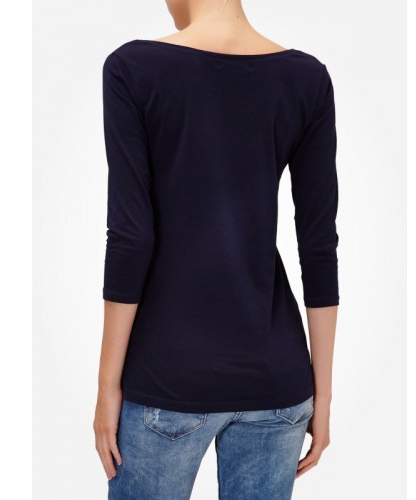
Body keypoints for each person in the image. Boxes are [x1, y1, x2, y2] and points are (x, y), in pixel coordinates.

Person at [93, 0, 339, 498]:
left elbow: (131, 236)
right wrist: (323, 396)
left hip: (168, 377)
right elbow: (318, 246)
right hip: (279, 383)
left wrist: (106, 389)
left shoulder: (133, 68)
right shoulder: (306, 78)